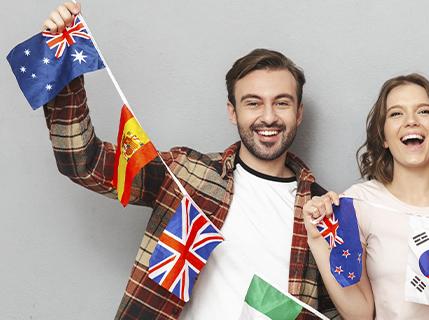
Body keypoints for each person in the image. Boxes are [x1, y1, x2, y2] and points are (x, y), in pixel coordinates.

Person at [38, 3, 338, 319]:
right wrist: (64, 66)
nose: (268, 117)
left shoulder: (322, 210)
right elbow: (83, 161)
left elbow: (336, 311)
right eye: (253, 103)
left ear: (299, 113)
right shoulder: (186, 175)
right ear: (232, 112)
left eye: (282, 103)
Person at [302, 74, 429, 319]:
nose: (411, 121)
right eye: (396, 114)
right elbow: (359, 314)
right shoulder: (359, 202)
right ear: (383, 137)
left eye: (423, 111)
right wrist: (317, 239)